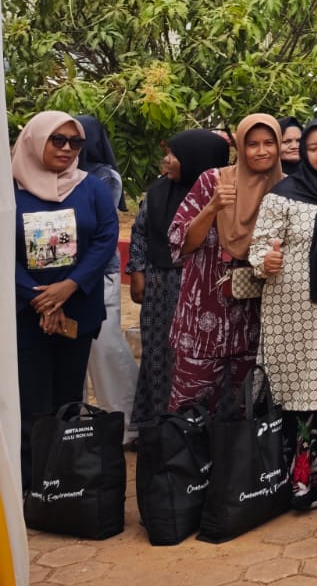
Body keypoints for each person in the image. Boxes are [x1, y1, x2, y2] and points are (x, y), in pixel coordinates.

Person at [249, 118, 317, 511]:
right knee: (298, 395)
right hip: (292, 308)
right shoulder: (284, 194)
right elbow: (260, 245)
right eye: (314, 148)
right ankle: (299, 479)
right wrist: (267, 259)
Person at [12, 112, 119, 482]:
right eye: (57, 140)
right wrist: (37, 297)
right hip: (24, 313)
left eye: (75, 142)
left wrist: (69, 287)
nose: (67, 148)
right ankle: (34, 484)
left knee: (69, 399)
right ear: (34, 140)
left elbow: (106, 238)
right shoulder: (9, 187)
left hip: (79, 306)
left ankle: (68, 484)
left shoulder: (91, 187)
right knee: (32, 403)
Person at [167, 114, 282, 412]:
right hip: (203, 314)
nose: (261, 151)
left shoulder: (286, 189)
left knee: (246, 411)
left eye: (269, 143)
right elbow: (182, 244)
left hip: (254, 320)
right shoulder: (214, 181)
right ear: (240, 148)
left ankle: (234, 461)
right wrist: (213, 207)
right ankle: (191, 460)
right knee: (191, 410)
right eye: (252, 144)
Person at [128, 130, 231, 430]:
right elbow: (140, 232)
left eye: (174, 155)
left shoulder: (222, 193)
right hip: (160, 288)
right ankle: (160, 428)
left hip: (201, 290)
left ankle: (194, 431)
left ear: (196, 160)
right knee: (158, 357)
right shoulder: (158, 191)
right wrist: (137, 273)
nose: (167, 161)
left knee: (192, 363)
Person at [76, 115, 137, 437]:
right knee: (75, 357)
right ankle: (73, 427)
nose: (71, 147)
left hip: (101, 274)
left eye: (77, 139)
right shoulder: (53, 173)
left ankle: (128, 424)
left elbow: (99, 225)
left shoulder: (104, 176)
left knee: (106, 351)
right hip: (61, 278)